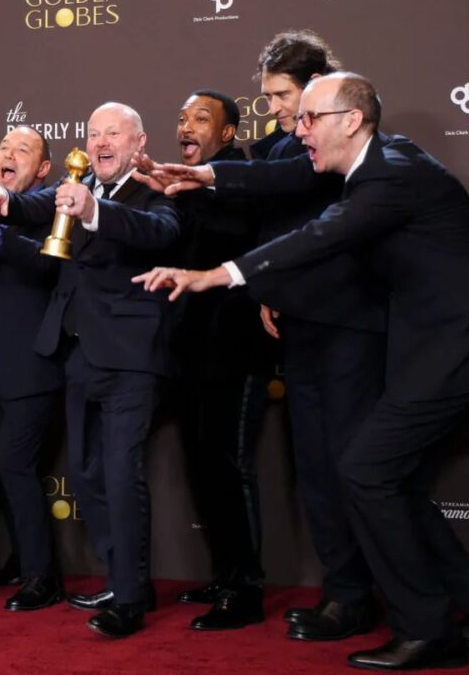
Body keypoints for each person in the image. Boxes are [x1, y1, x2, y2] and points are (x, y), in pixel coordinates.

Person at [136, 72, 469, 670]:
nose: (297, 131)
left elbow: (322, 235)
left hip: (453, 350)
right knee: (393, 484)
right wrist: (206, 175)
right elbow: (285, 175)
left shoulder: (393, 174)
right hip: (429, 349)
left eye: (308, 120)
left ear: (350, 120)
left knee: (369, 473)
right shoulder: (367, 162)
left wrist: (217, 274)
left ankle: (427, 629)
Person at [138, 31, 387, 643]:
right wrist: (188, 186)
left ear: (325, 97)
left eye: (283, 96)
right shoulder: (279, 146)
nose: (276, 110)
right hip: (295, 323)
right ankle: (344, 595)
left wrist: (201, 177)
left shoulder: (328, 149)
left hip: (345, 324)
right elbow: (261, 218)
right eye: (272, 97)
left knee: (352, 469)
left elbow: (283, 192)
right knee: (317, 472)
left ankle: (365, 596)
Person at [0, 102, 180, 638]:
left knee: (119, 473)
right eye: (94, 133)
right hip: (78, 355)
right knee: (86, 474)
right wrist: (0, 205)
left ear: (138, 142)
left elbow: (158, 233)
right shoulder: (78, 187)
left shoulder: (154, 190)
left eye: (114, 133)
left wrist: (93, 212)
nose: (102, 141)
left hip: (131, 360)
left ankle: (130, 600)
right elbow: (38, 207)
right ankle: (124, 578)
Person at [170, 90, 275, 631]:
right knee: (201, 464)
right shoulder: (177, 184)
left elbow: (242, 246)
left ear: (229, 133)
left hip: (236, 350)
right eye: (183, 118)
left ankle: (247, 589)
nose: (187, 127)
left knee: (228, 467)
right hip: (191, 350)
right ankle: (224, 573)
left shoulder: (241, 179)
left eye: (201, 118)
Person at [0, 127, 65, 611]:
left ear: (45, 168)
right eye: (3, 146)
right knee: (4, 467)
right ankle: (20, 559)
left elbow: (48, 268)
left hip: (34, 369)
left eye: (23, 150)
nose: (8, 154)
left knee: (14, 462)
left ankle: (42, 576)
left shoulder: (54, 208)